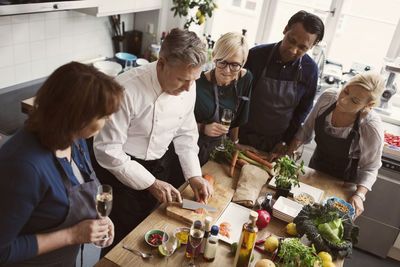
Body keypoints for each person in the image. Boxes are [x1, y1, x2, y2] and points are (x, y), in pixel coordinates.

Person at [93, 28, 214, 251]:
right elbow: (107, 150)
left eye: (193, 79)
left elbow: (186, 134)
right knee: (121, 243)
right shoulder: (125, 89)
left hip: (159, 165)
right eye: (182, 79)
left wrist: (194, 175)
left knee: (150, 234)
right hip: (122, 172)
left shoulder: (190, 83)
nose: (189, 87)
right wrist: (150, 183)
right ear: (161, 64)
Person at [0, 62, 123, 266]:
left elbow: (82, 184)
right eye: (103, 115)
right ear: (78, 117)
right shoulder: (24, 167)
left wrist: (99, 217)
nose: (109, 119)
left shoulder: (75, 138)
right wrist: (73, 235)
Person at [287, 71, 386, 220]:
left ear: (369, 105)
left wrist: (359, 195)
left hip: (344, 183)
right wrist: (287, 155)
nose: (343, 100)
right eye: (345, 91)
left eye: (354, 101)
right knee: (301, 215)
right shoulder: (328, 97)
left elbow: (371, 167)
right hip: (315, 170)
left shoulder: (370, 126)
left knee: (325, 222)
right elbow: (306, 130)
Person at [239, 10, 324, 157]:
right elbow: (237, 99)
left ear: (312, 46)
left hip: (276, 147)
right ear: (285, 30)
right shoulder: (256, 55)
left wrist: (285, 142)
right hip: (243, 139)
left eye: (302, 47)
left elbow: (302, 111)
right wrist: (234, 141)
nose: (293, 50)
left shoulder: (310, 70)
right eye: (291, 40)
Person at [195, 32, 253, 165]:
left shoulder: (246, 79)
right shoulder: (196, 83)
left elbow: (237, 119)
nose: (227, 70)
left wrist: (234, 143)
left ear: (243, 62)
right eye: (222, 62)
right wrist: (203, 128)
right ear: (214, 56)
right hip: (191, 149)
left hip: (218, 153)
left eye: (234, 65)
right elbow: (177, 124)